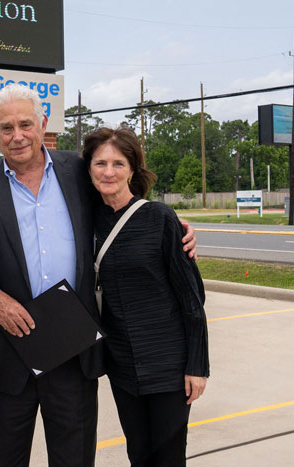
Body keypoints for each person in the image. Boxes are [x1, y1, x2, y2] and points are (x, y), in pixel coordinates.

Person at [0, 84, 198, 467]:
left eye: (26, 124)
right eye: (6, 128)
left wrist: (170, 225)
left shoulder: (79, 172)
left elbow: (122, 199)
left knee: (74, 459)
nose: (17, 135)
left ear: (44, 124)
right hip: (10, 354)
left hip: (74, 351)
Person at [82, 126, 209, 467]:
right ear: (89, 169)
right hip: (122, 363)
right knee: (138, 454)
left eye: (118, 163)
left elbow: (193, 298)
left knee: (168, 456)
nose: (109, 172)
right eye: (100, 163)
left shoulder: (159, 218)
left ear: (132, 170)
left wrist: (197, 366)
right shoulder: (86, 221)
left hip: (168, 362)